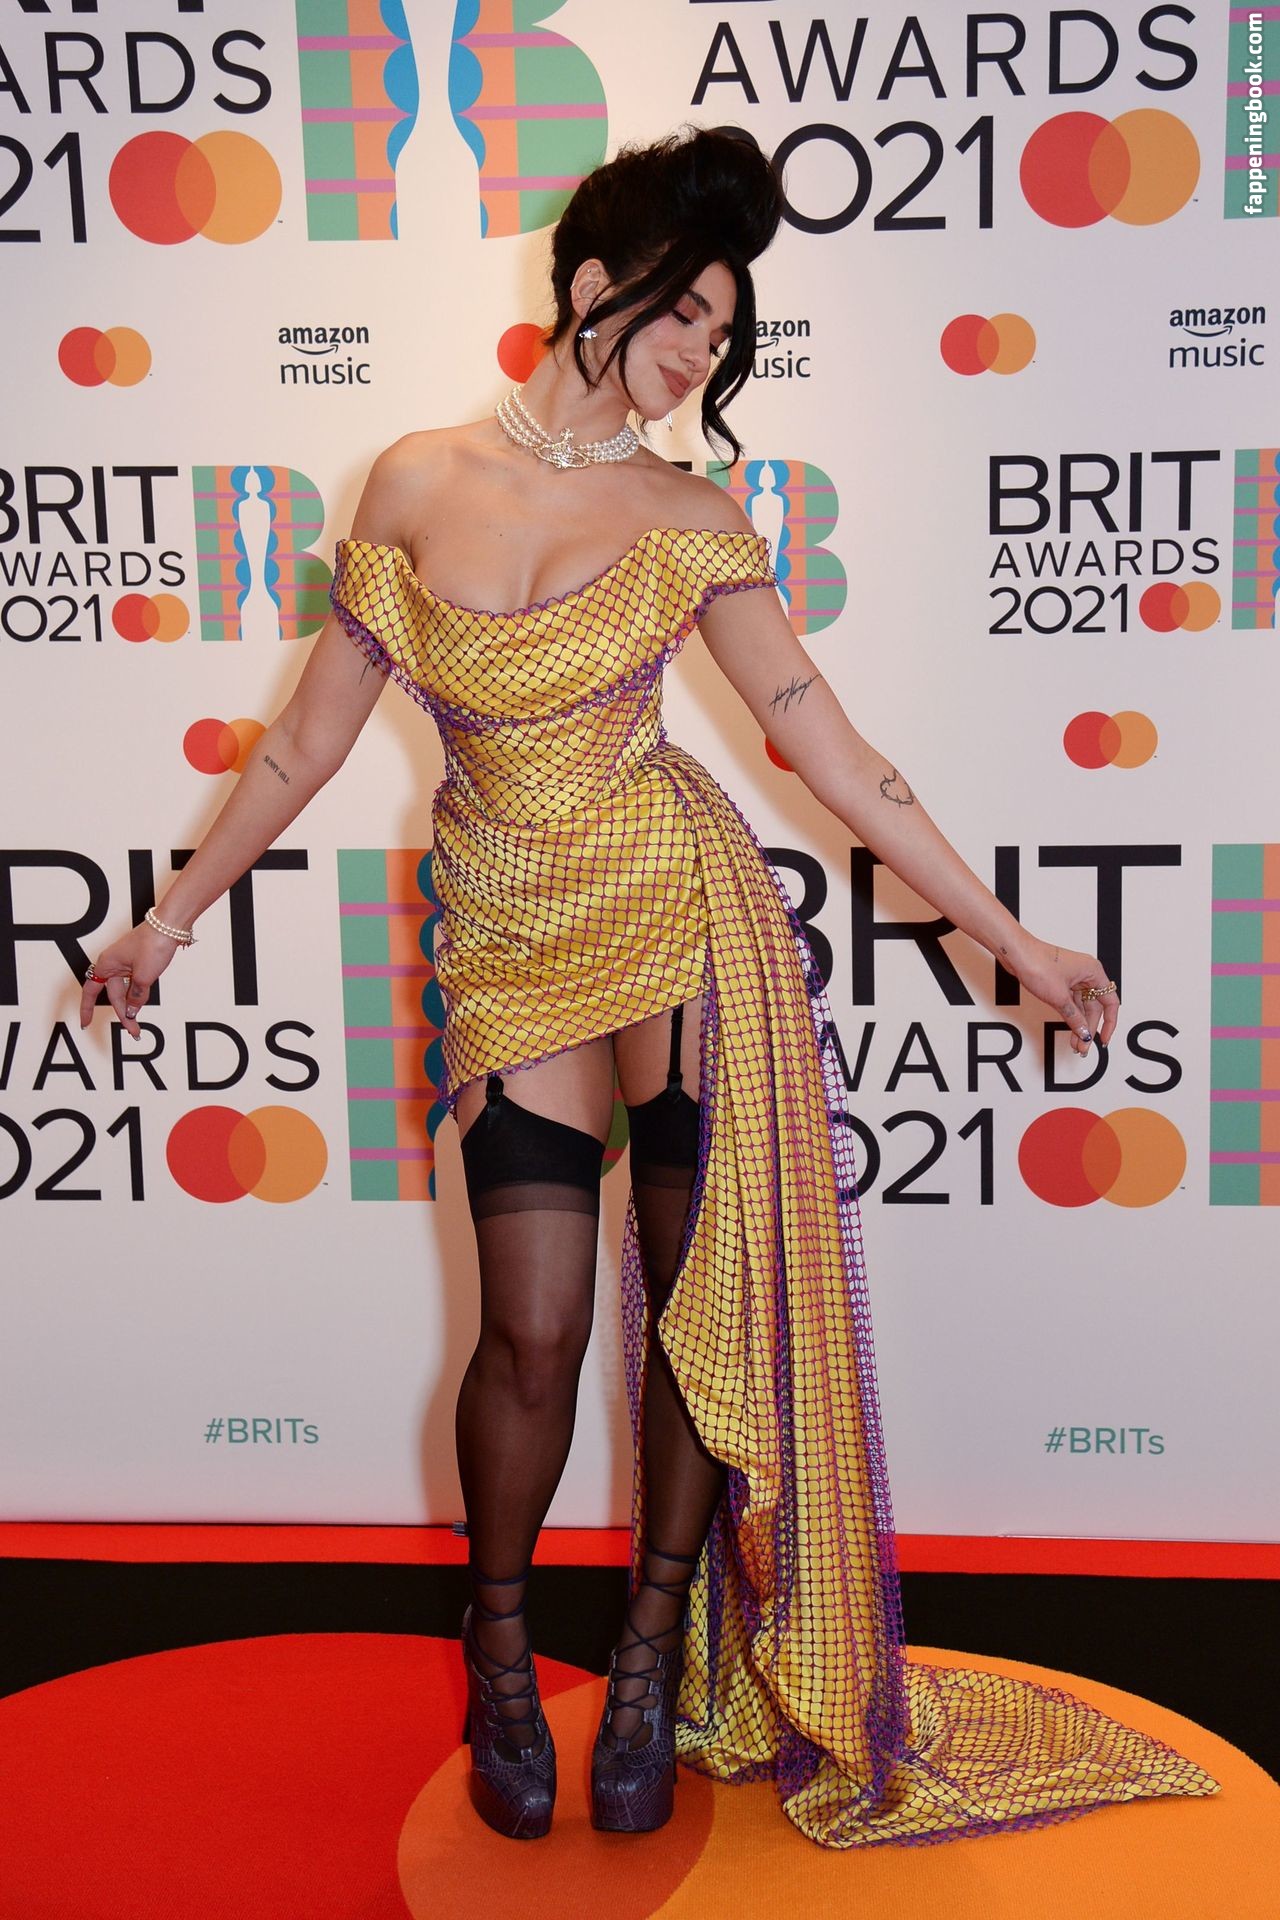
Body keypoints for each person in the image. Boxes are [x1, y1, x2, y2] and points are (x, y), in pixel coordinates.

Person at [80, 127, 1217, 1848]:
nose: (703, 354)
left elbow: (834, 749)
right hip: (506, 931)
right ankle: (497, 1660)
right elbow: (305, 742)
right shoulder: (411, 481)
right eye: (685, 314)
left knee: (697, 1316)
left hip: (678, 920)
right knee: (531, 1330)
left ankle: (644, 1659)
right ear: (597, 287)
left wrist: (1009, 935)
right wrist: (169, 919)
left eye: (726, 333)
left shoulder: (693, 517)